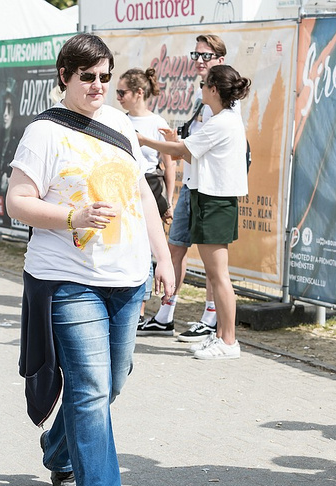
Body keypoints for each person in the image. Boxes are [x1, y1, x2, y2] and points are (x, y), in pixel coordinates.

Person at [6, 33, 174, 486]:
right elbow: (17, 201)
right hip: (69, 278)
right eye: (88, 77)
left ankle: (60, 449)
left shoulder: (120, 122)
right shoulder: (44, 132)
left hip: (127, 277)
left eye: (105, 77)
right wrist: (71, 214)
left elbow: (142, 193)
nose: (98, 86)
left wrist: (162, 257)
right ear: (65, 77)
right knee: (92, 387)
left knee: (111, 382)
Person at [139, 65, 250, 360]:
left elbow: (181, 151)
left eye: (204, 84)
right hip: (209, 199)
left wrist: (143, 139)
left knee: (219, 276)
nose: (200, 88)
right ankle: (221, 337)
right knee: (215, 276)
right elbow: (186, 150)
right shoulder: (220, 120)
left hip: (215, 201)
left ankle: (228, 341)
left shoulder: (222, 122)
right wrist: (170, 140)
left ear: (214, 89)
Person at [138, 34, 226, 343]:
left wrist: (153, 141)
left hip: (210, 190)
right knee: (175, 248)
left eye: (207, 55)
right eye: (196, 54)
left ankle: (211, 317)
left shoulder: (222, 98)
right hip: (193, 184)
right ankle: (165, 314)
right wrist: (175, 140)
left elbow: (197, 146)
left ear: (220, 59)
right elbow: (189, 144)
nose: (200, 61)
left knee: (213, 259)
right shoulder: (203, 98)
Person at [116, 67, 177, 324]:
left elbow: (170, 162)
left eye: (122, 92)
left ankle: (140, 308)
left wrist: (169, 200)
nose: (117, 97)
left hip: (150, 187)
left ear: (139, 93)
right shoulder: (118, 120)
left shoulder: (156, 123)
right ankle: (128, 302)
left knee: (147, 248)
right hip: (121, 187)